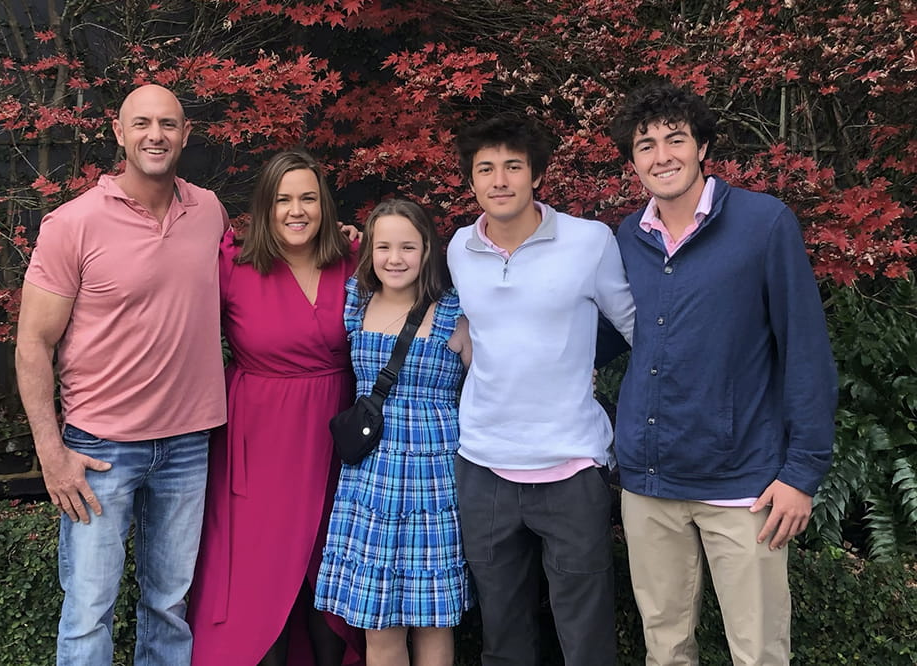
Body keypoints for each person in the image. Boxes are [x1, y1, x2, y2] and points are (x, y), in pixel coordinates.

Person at [609, 82, 838, 666]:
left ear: (702, 146)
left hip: (745, 484)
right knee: (664, 648)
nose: (662, 156)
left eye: (675, 140)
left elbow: (806, 351)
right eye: (646, 146)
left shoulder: (763, 223)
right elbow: (588, 341)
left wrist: (803, 471)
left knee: (758, 653)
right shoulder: (626, 240)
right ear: (632, 161)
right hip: (648, 481)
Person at [15, 84, 228, 665]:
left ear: (186, 134)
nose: (154, 135)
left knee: (169, 606)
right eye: (142, 124)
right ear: (118, 132)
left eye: (167, 124)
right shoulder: (72, 223)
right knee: (88, 610)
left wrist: (343, 241)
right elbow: (33, 343)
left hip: (188, 443)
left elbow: (265, 262)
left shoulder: (208, 211)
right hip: (101, 448)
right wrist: (51, 452)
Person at [446, 113, 635, 665]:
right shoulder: (459, 247)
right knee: (502, 635)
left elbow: (640, 330)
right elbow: (424, 300)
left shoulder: (589, 241)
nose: (499, 179)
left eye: (513, 166)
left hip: (572, 466)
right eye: (486, 168)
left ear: (535, 175)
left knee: (586, 634)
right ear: (472, 180)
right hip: (483, 465)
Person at [188, 149, 364, 666]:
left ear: (325, 205)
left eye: (308, 197)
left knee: (326, 571)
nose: (296, 210)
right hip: (257, 442)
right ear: (264, 207)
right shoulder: (234, 262)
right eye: (283, 199)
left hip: (336, 439)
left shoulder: (355, 259)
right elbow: (178, 328)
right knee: (260, 579)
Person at [315, 198, 475, 665]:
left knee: (433, 622)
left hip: (435, 481)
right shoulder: (353, 302)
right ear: (368, 251)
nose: (395, 258)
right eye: (382, 246)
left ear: (428, 250)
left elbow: (496, 383)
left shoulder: (455, 314)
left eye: (408, 246)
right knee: (379, 626)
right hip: (371, 481)